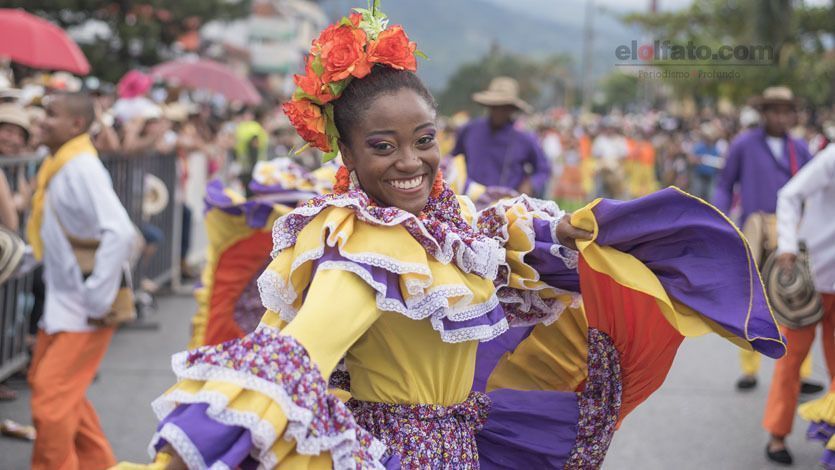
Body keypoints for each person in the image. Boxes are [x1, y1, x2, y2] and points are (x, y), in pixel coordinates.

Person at [120, 8, 785, 469]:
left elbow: (543, 250)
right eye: (382, 147)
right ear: (345, 155)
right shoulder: (358, 250)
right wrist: (187, 451)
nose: (409, 161)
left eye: (423, 140)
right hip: (399, 455)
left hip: (457, 449)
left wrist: (648, 248)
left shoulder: (460, 226)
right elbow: (295, 357)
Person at [25, 91, 136, 470]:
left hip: (82, 310)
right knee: (63, 398)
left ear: (75, 124)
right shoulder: (59, 164)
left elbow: (120, 232)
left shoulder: (81, 167)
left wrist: (96, 298)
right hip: (64, 305)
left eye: (50, 114)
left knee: (50, 402)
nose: (40, 120)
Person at [712, 86, 817, 393]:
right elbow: (724, 184)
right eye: (774, 110)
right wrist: (719, 220)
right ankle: (750, 369)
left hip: (791, 234)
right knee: (754, 302)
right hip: (755, 232)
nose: (781, 116)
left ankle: (800, 370)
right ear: (763, 113)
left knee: (797, 302)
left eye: (786, 111)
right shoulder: (743, 144)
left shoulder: (800, 148)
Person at [767, 144, 835, 466]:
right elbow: (789, 194)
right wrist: (788, 244)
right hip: (810, 279)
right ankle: (777, 434)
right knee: (791, 358)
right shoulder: (832, 157)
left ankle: (831, 440)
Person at [451, 77, 551, 197]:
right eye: (494, 106)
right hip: (470, 200)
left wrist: (530, 183)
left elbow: (543, 169)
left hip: (505, 204)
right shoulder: (469, 130)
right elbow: (454, 159)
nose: (498, 112)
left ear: (512, 109)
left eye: (504, 107)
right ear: (488, 106)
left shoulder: (524, 138)